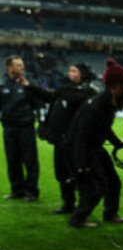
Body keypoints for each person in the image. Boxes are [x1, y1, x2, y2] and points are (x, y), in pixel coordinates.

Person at [67, 60, 123, 229]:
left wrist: (118, 144)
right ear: (115, 86)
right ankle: (78, 219)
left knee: (113, 182)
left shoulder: (107, 103)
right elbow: (80, 137)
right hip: (86, 149)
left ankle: (110, 213)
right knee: (97, 185)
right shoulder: (97, 107)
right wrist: (81, 166)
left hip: (94, 147)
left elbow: (103, 128)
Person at [39, 62, 97, 214]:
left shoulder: (88, 93)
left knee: (77, 174)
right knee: (61, 174)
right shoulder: (64, 90)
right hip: (59, 141)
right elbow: (50, 102)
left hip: (74, 143)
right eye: (70, 70)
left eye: (74, 71)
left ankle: (82, 208)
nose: (70, 73)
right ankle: (68, 204)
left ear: (82, 74)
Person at [0, 54, 51, 200]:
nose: (22, 67)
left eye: (22, 65)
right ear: (9, 67)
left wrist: (42, 124)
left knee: (30, 160)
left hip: (26, 128)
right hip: (9, 128)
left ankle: (31, 191)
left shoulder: (29, 85)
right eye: (18, 65)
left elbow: (39, 106)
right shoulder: (3, 86)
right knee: (12, 160)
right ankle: (17, 190)